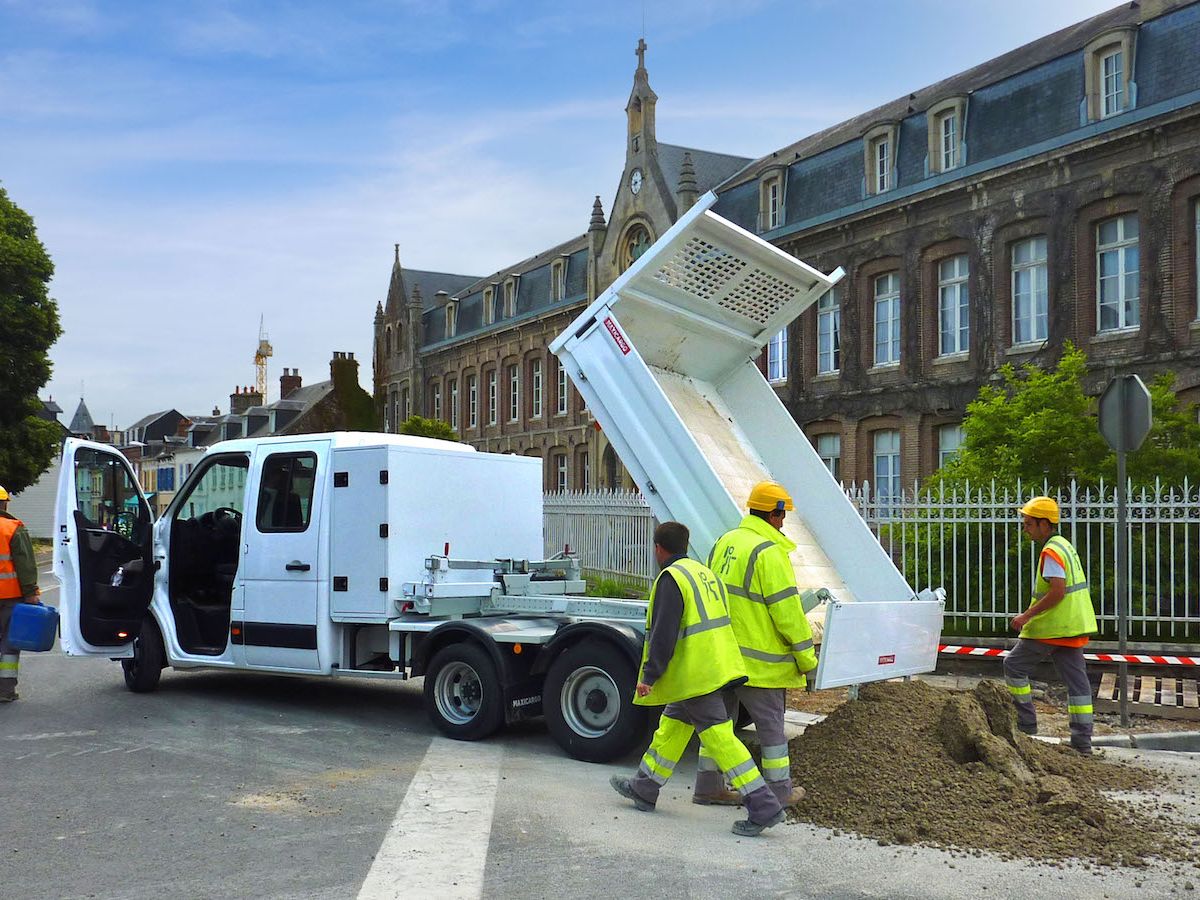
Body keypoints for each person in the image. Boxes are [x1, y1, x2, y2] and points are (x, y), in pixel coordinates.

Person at [610, 521, 786, 837]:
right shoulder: (704, 573)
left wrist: (650, 675)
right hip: (715, 667)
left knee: (720, 738)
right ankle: (645, 786)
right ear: (686, 546)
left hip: (695, 675)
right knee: (673, 726)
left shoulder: (671, 578)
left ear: (658, 549)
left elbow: (664, 634)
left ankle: (763, 805)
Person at [692, 481, 817, 808]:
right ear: (774, 515)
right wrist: (807, 659)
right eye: (782, 514)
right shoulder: (769, 552)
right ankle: (779, 793)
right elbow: (788, 614)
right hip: (760, 665)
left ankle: (708, 786)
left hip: (722, 656)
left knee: (719, 725)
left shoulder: (724, 543)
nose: (783, 521)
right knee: (772, 730)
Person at [1004, 496, 1097, 754]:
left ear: (1045, 524)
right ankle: (1082, 744)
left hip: (1051, 627)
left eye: (1029, 523)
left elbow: (1057, 592)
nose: (1025, 528)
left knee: (1013, 666)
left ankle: (1026, 724)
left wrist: (1026, 616)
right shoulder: (1064, 545)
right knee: (1078, 684)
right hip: (1072, 626)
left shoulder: (1051, 551)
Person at [0, 484, 41, 703]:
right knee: (8, 644)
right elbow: (25, 564)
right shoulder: (12, 528)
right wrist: (31, 592)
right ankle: (5, 690)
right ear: (5, 503)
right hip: (8, 597)